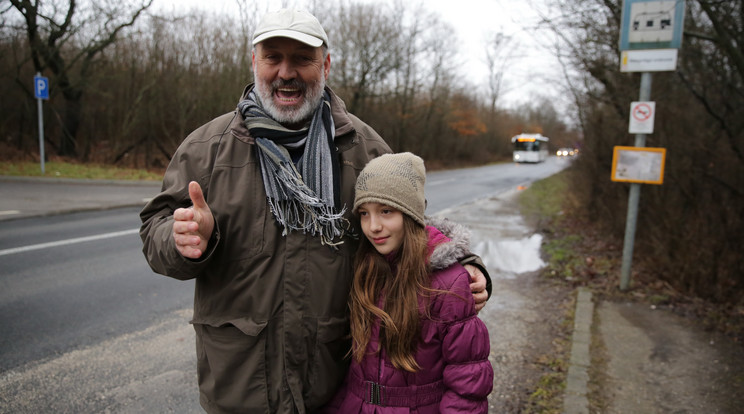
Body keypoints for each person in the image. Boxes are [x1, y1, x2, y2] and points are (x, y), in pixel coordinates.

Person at [139, 8, 492, 414]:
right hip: (238, 387)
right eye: (273, 57)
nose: (286, 72)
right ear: (254, 61)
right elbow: (155, 231)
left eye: (302, 59)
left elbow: (412, 230)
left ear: (325, 65)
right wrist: (182, 238)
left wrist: (465, 266)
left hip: (334, 387)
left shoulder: (363, 149)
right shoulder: (208, 148)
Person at [321, 153, 493, 413]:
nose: (373, 226)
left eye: (386, 211)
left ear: (411, 213)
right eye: (365, 214)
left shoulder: (448, 284)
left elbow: (467, 383)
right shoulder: (364, 268)